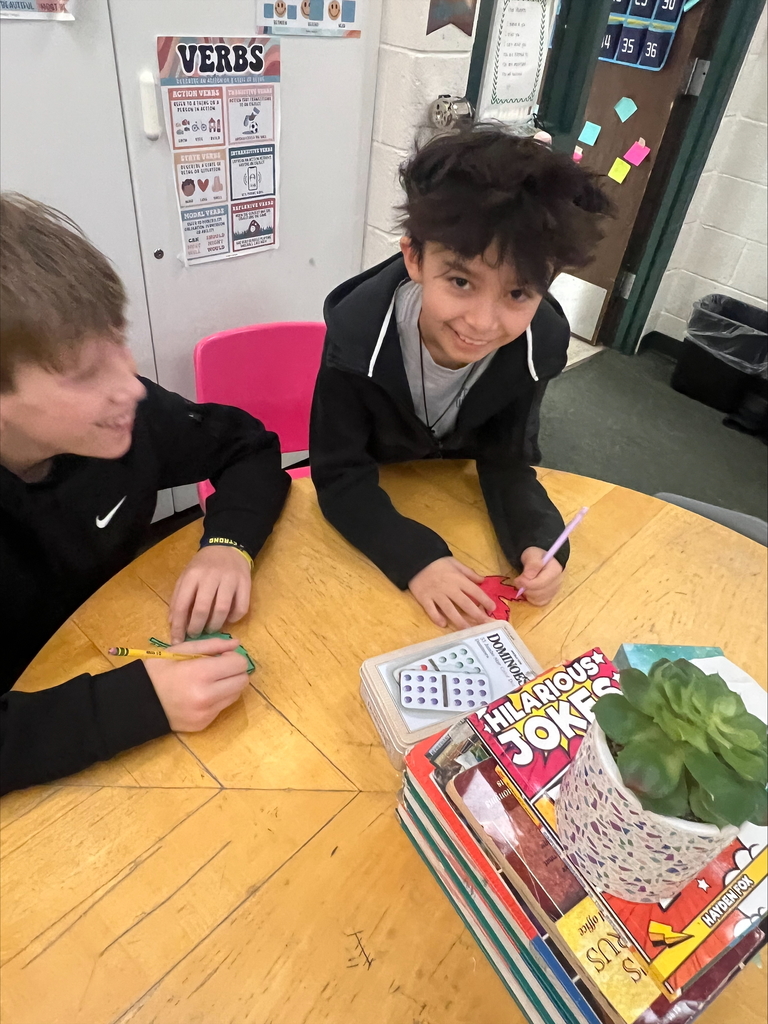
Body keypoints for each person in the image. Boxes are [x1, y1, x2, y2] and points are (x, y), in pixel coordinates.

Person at [0, 193, 290, 794]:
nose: (130, 387)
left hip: (123, 643)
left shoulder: (124, 419)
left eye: (118, 340)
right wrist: (137, 703)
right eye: (85, 373)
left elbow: (249, 448)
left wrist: (229, 544)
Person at [310, 125, 611, 630]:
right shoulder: (357, 338)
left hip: (456, 505)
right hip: (375, 514)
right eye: (460, 281)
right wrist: (416, 558)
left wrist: (538, 540)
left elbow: (508, 461)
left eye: (518, 293)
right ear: (414, 257)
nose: (482, 323)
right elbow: (338, 476)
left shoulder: (535, 346)